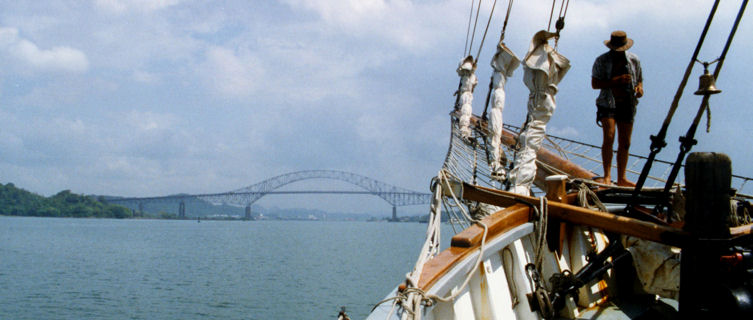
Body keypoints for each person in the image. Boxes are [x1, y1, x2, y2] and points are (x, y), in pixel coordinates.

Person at [591, 30, 643, 187]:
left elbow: (639, 80)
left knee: (625, 142)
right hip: (608, 102)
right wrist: (615, 81)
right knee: (609, 136)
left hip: (627, 102)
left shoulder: (634, 60)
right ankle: (607, 176)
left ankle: (622, 178)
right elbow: (595, 84)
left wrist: (639, 89)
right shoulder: (601, 61)